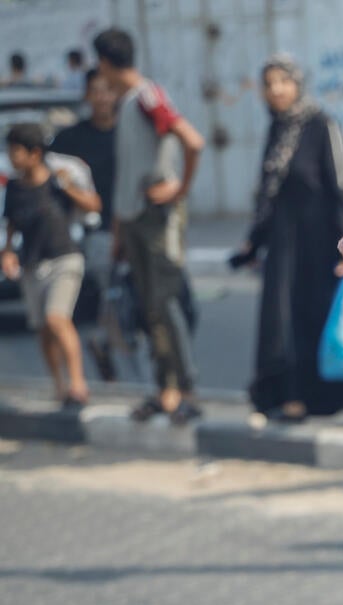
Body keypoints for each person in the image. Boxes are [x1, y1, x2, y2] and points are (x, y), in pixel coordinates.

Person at [230, 54, 343, 424]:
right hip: (284, 241)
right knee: (285, 321)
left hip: (322, 239)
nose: (276, 89)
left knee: (327, 315)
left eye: (283, 81)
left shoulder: (323, 125)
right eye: (269, 83)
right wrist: (253, 241)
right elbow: (267, 194)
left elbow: (340, 188)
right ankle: (293, 400)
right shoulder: (276, 129)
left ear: (297, 84)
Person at [92, 27, 205, 426]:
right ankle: (166, 390)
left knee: (166, 306)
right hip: (135, 220)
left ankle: (185, 390)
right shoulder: (128, 103)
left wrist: (180, 189)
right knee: (150, 309)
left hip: (156, 219)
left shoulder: (146, 97)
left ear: (104, 63)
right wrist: (120, 234)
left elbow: (193, 140)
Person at [2, 122, 100, 409]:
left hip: (64, 258)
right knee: (43, 328)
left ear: (34, 153)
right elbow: (10, 224)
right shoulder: (15, 187)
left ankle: (78, 383)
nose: (11, 157)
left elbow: (94, 205)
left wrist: (68, 186)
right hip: (32, 264)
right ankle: (59, 384)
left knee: (57, 319)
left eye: (16, 151)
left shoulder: (58, 180)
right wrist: (7, 253)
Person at [52, 67, 119, 380]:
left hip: (131, 227)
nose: (103, 97)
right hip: (93, 231)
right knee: (106, 292)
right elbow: (48, 176)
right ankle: (104, 348)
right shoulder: (70, 139)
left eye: (109, 89)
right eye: (96, 90)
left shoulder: (131, 134)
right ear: (87, 95)